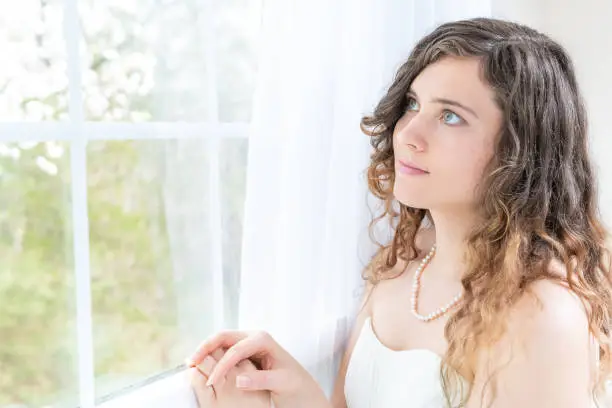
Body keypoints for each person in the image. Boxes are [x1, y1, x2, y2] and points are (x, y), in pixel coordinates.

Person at [186, 17, 612, 408]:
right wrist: (293, 390)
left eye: (450, 116)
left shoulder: (541, 315)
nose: (408, 133)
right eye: (412, 104)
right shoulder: (403, 261)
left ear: (520, 152)